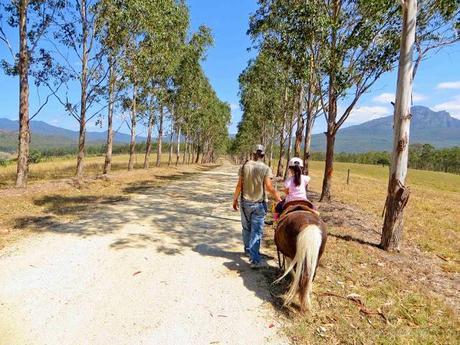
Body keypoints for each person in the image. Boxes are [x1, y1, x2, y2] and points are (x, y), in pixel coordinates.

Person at [233, 144, 281, 268]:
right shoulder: (265, 168)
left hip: (245, 203)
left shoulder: (244, 166)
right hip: (259, 204)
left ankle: (248, 250)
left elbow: (239, 185)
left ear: (253, 154)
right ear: (263, 155)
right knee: (256, 231)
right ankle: (254, 259)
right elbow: (269, 187)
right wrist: (278, 197)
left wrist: (234, 200)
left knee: (246, 228)